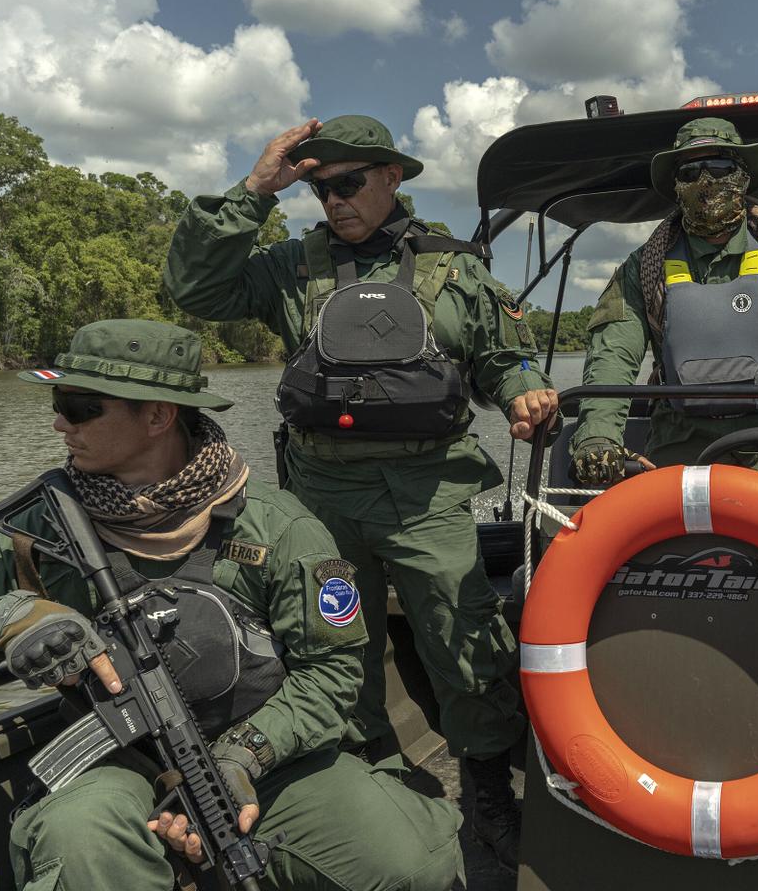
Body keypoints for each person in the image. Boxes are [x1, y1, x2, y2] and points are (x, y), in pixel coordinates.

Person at [0, 319, 464, 891]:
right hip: (114, 760)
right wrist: (1, 620)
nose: (58, 425)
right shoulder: (31, 534)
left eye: (79, 408)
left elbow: (333, 672)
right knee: (81, 844)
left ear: (158, 415)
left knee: (409, 863)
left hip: (260, 752)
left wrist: (243, 756)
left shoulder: (277, 527)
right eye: (58, 406)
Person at [164, 115, 554, 868]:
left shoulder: (454, 267)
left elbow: (502, 359)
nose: (333, 201)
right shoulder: (293, 267)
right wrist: (254, 191)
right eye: (319, 187)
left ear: (392, 177)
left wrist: (525, 393)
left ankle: (486, 788)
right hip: (321, 498)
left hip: (428, 493)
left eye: (348, 184)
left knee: (463, 639)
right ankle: (377, 776)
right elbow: (196, 285)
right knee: (335, 646)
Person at [567, 116, 758, 489]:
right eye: (691, 172)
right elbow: (612, 359)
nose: (706, 182)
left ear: (743, 177)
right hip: (679, 459)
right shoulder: (642, 267)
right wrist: (598, 438)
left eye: (721, 168)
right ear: (677, 186)